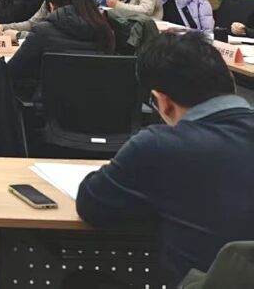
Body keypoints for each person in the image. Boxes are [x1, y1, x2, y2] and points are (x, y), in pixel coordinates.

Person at [76, 32, 254, 285]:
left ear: (163, 102)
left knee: (83, 281)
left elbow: (92, 205)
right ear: (231, 83)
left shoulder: (159, 145)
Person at [5, 0, 115, 96]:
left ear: (52, 6)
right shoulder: (107, 32)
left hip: (49, 101)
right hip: (97, 100)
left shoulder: (43, 31)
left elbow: (12, 70)